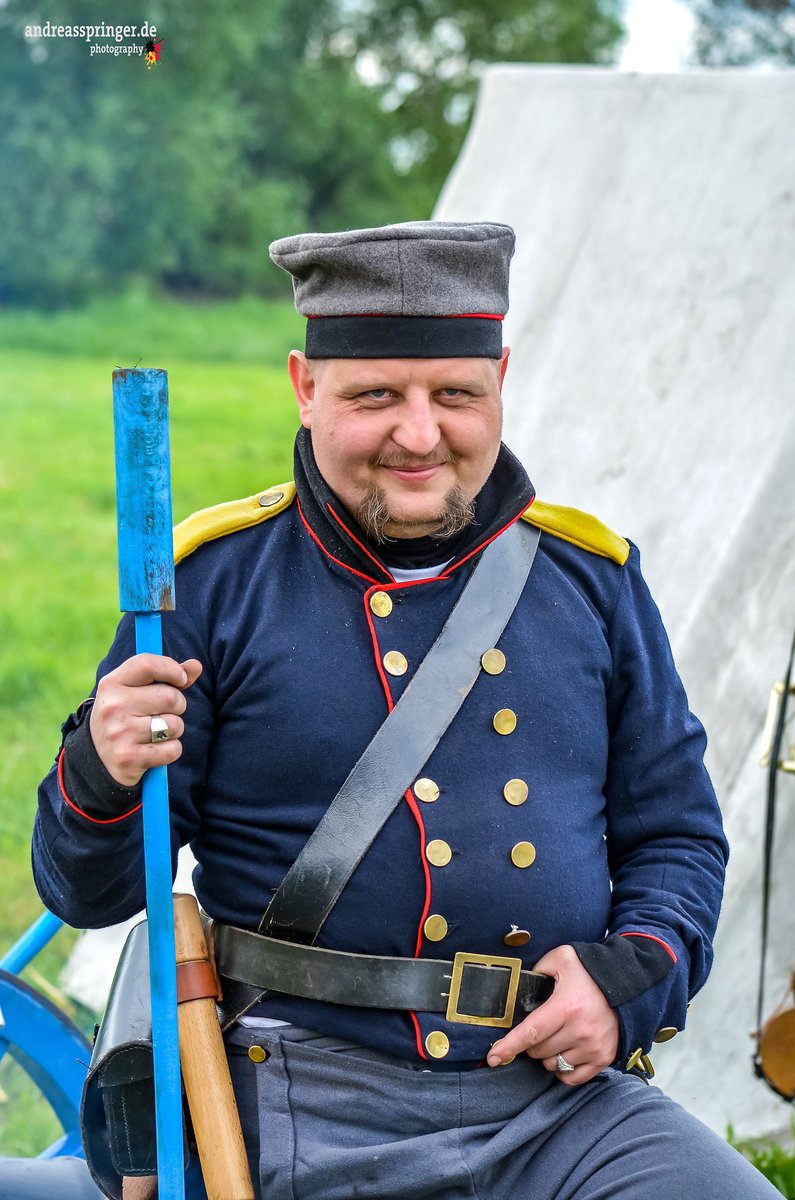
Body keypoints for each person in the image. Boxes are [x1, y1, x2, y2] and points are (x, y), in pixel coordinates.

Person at [33, 221, 778, 1200]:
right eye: (376, 394)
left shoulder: (590, 579)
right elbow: (85, 892)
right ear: (306, 386)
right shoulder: (208, 585)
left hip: (554, 1101)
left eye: (455, 395)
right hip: (296, 1090)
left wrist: (626, 983)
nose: (419, 435)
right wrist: (102, 765)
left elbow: (678, 838)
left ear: (501, 378)